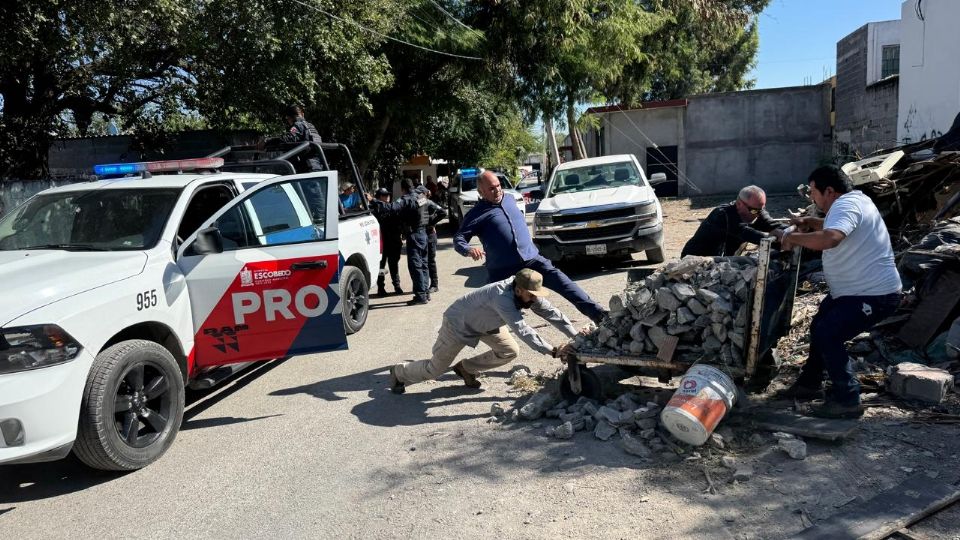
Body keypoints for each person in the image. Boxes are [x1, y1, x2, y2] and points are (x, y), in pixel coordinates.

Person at [778, 165, 902, 418]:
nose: (812, 198)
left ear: (830, 191)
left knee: (829, 333)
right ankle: (809, 383)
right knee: (820, 324)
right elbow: (836, 225)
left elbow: (831, 237)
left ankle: (847, 399)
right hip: (853, 292)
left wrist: (792, 239)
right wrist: (811, 222)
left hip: (872, 294)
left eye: (814, 192)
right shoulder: (855, 201)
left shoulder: (846, 205)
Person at [388, 269, 578, 393]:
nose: (535, 299)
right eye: (531, 296)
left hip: (488, 323)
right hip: (458, 324)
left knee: (509, 351)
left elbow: (552, 313)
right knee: (434, 370)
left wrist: (576, 336)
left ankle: (465, 368)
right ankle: (399, 372)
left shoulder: (529, 291)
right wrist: (553, 351)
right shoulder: (502, 299)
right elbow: (523, 330)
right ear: (519, 290)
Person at [454, 170, 607, 324]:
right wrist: (468, 249)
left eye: (498, 185)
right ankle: (495, 341)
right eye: (492, 189)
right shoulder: (476, 214)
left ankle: (598, 314)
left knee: (563, 282)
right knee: (494, 312)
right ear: (481, 192)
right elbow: (459, 238)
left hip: (531, 259)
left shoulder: (510, 199)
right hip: (502, 269)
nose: (498, 190)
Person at [372, 179, 443, 305]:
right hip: (422, 235)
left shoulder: (407, 199)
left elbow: (391, 207)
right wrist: (429, 223)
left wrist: (373, 200)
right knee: (423, 264)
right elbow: (441, 211)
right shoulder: (421, 198)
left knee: (416, 266)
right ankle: (425, 293)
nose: (387, 197)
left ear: (403, 189)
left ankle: (421, 295)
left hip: (414, 236)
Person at [681, 185, 786, 257]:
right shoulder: (722, 215)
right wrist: (784, 242)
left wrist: (791, 231)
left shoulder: (754, 210)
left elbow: (771, 224)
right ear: (739, 204)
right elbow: (747, 233)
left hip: (720, 261)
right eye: (755, 210)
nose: (758, 214)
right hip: (694, 261)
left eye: (761, 209)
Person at [369, 187, 404, 296]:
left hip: (393, 241)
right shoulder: (373, 209)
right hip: (380, 243)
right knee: (381, 266)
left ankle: (397, 286)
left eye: (388, 195)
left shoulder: (392, 207)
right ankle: (381, 288)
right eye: (384, 195)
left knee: (393, 264)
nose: (387, 197)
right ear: (379, 197)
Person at [415, 184, 445, 292]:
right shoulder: (419, 203)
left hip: (430, 234)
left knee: (430, 260)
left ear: (424, 194)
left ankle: (434, 284)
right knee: (423, 261)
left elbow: (443, 212)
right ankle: (424, 284)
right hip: (422, 234)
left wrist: (431, 223)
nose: (417, 196)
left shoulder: (426, 202)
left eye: (419, 194)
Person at [277, 104, 323, 172]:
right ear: (302, 114)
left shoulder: (298, 125)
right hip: (318, 164)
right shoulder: (310, 126)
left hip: (307, 167)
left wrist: (267, 141)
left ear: (289, 118)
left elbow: (287, 139)